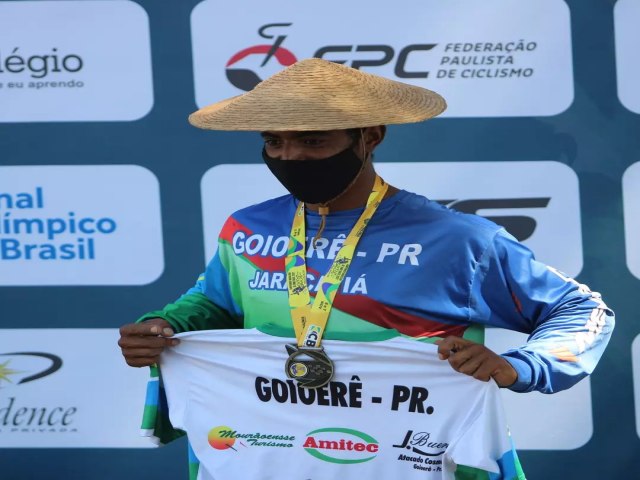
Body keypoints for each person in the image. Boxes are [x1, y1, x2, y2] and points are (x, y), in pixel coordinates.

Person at [119, 58, 614, 396]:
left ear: (369, 137)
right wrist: (166, 326)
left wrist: (521, 366)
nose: (290, 156)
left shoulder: (458, 240)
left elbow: (582, 309)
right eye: (274, 142)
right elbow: (216, 303)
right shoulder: (247, 227)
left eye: (312, 141)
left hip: (411, 455)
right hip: (270, 448)